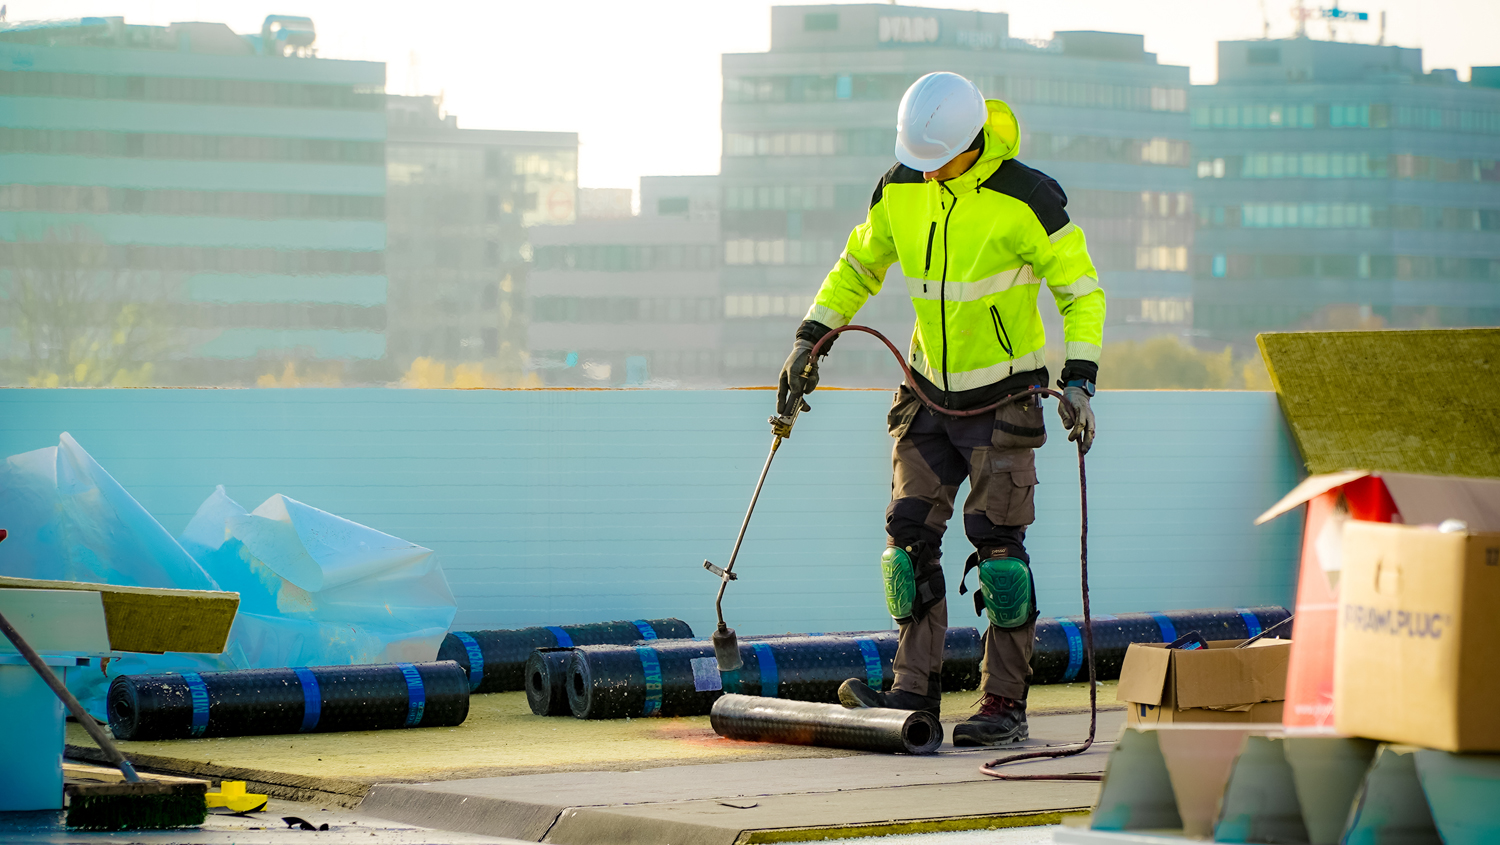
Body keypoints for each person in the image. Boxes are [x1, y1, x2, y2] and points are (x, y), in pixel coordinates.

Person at [775, 72, 1103, 747]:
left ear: (972, 143)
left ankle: (1002, 703)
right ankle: (912, 688)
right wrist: (811, 337)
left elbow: (1082, 292)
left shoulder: (1027, 197)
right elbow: (859, 265)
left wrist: (1080, 379)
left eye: (938, 162)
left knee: (1001, 558)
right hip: (925, 395)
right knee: (906, 546)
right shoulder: (901, 186)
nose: (925, 175)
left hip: (1004, 404)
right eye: (916, 161)